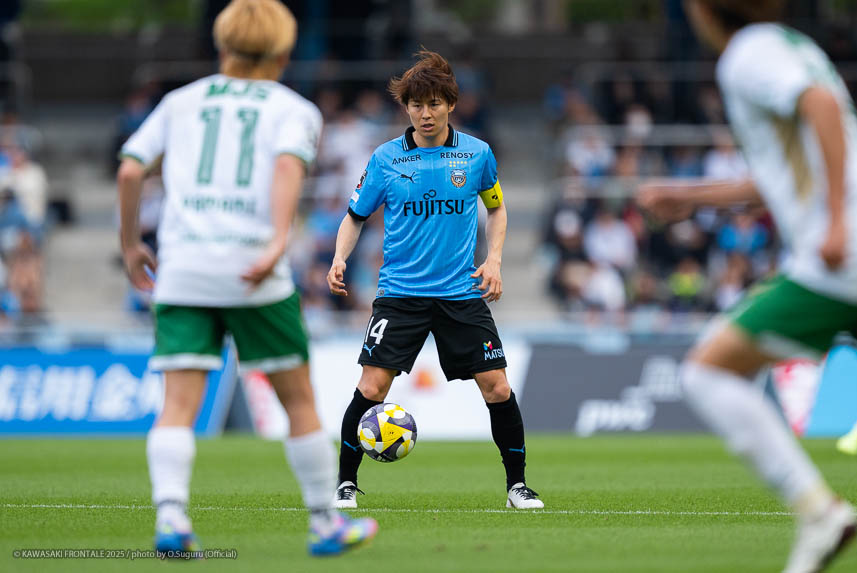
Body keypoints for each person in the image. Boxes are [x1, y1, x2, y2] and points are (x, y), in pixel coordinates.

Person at [116, 0, 377, 557]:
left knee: (178, 404)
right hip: (253, 270)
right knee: (298, 400)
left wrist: (131, 244)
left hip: (183, 268)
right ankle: (324, 523)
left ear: (222, 45)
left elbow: (131, 169)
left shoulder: (180, 102)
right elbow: (286, 166)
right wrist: (278, 241)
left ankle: (171, 517)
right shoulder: (294, 108)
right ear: (283, 53)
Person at [638, 2, 857, 572]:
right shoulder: (788, 45)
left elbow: (822, 105)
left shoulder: (748, 53)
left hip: (843, 259)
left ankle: (819, 512)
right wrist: (689, 197)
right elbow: (779, 176)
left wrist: (837, 220)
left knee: (708, 372)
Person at [326, 50, 543, 510]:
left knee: (498, 387)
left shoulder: (477, 154)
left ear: (451, 104)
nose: (425, 113)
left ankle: (517, 487)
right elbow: (354, 215)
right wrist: (339, 258)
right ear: (406, 107)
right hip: (400, 295)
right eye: (416, 105)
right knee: (371, 388)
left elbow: (497, 208)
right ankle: (345, 484)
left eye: (434, 103)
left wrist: (495, 260)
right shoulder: (385, 159)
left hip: (460, 293)